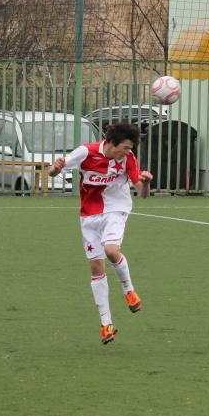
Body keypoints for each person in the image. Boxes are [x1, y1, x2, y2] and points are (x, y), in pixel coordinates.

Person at [47, 123, 154, 345]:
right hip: (89, 215)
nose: (127, 152)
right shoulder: (86, 152)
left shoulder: (128, 158)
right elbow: (52, 172)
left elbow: (142, 194)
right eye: (124, 147)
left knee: (111, 250)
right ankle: (106, 324)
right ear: (112, 143)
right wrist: (56, 168)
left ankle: (129, 290)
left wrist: (146, 184)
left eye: (129, 148)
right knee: (96, 267)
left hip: (116, 209)